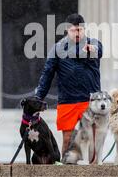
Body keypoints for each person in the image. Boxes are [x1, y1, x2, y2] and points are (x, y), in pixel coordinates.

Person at [35, 13, 103, 155]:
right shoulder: (57, 48)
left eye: (80, 30)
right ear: (67, 30)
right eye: (74, 30)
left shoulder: (94, 43)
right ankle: (65, 170)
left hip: (90, 99)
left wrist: (92, 50)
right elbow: (47, 74)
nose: (77, 33)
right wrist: (38, 97)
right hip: (68, 99)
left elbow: (99, 50)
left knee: (93, 137)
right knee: (67, 138)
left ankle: (95, 170)